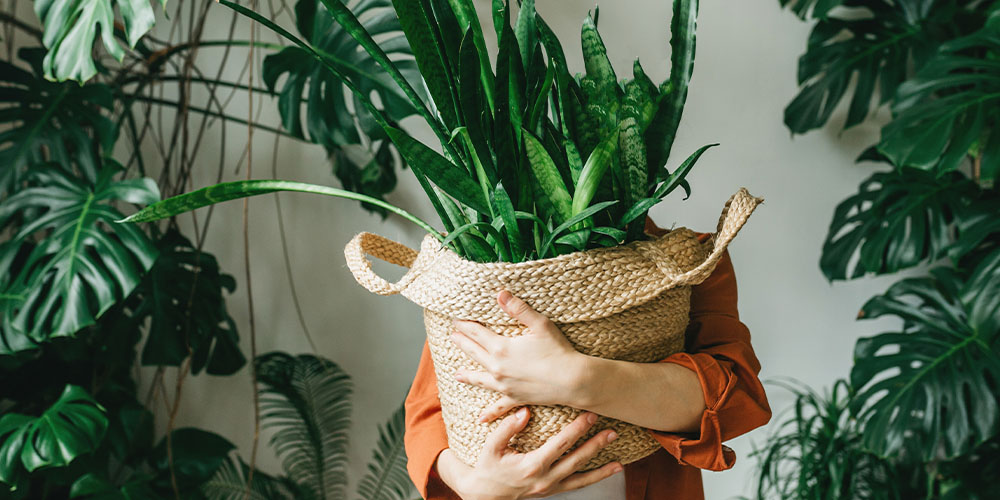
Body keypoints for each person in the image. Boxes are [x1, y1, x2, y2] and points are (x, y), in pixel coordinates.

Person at [403, 219, 771, 500]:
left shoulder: (690, 263)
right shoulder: (474, 277)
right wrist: (472, 484)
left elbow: (733, 398)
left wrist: (577, 379)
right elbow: (427, 411)